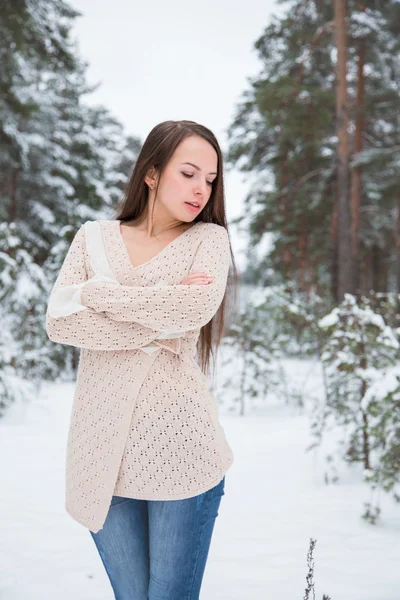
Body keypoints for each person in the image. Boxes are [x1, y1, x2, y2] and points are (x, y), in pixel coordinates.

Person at [45, 119, 239, 600]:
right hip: (100, 454)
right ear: (151, 174)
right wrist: (161, 319)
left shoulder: (208, 241)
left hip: (182, 451)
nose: (201, 190)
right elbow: (62, 322)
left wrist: (96, 293)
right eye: (189, 173)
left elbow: (192, 308)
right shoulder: (92, 238)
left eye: (210, 180)